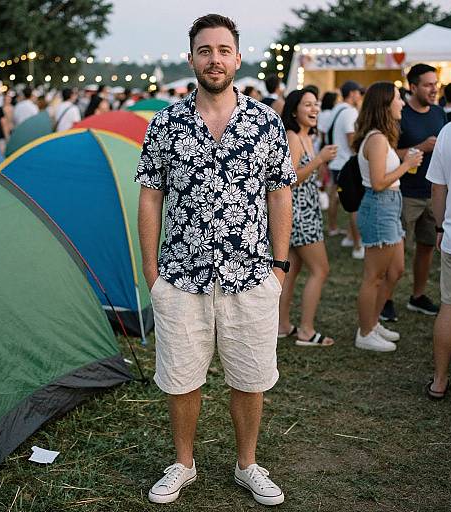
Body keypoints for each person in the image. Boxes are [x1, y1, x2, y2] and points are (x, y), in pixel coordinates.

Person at [135, 13, 295, 507]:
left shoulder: (264, 121)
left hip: (250, 275)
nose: (214, 59)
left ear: (238, 58)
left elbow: (280, 192)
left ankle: (247, 464)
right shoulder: (165, 123)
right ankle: (184, 463)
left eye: (223, 50)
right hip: (182, 277)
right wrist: (151, 271)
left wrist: (280, 266)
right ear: (191, 60)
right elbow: (149, 196)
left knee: (249, 377)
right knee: (182, 378)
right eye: (205, 51)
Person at [353, 82, 423, 352]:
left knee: (395, 271)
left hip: (390, 206)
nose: (403, 103)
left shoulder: (381, 136)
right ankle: (365, 331)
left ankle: (373, 322)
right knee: (374, 275)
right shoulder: (377, 139)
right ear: (384, 104)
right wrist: (407, 165)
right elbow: (380, 182)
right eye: (398, 99)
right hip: (380, 206)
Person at [277, 88, 337, 346]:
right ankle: (306, 330)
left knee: (291, 271)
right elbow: (287, 180)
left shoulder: (305, 136)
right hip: (299, 214)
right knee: (320, 269)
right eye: (308, 105)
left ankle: (281, 325)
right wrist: (320, 160)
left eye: (316, 105)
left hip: (305, 211)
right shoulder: (292, 136)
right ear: (294, 111)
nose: (314, 110)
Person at [391, 64, 447, 319]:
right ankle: (386, 299)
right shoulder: (401, 114)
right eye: (428, 84)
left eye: (435, 84)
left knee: (426, 246)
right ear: (413, 87)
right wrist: (421, 147)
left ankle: (418, 296)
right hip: (406, 193)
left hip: (432, 192)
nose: (434, 89)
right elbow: (388, 155)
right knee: (396, 251)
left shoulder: (439, 112)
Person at [426, 116, 451, 399]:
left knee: (450, 307)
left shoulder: (449, 132)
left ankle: (439, 381)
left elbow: (438, 189)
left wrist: (440, 226)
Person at [327, 81, 364, 258]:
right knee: (354, 205)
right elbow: (352, 140)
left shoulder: (337, 109)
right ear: (352, 93)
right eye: (358, 92)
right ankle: (357, 245)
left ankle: (348, 236)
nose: (360, 96)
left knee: (339, 198)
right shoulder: (350, 112)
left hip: (336, 161)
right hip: (346, 163)